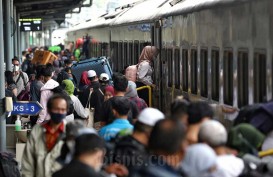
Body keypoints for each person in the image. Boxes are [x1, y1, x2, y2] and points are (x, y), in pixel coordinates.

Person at [22, 95, 68, 177]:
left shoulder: (70, 132)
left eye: (63, 110)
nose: (60, 112)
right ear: (49, 110)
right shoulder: (37, 131)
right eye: (56, 109)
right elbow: (28, 162)